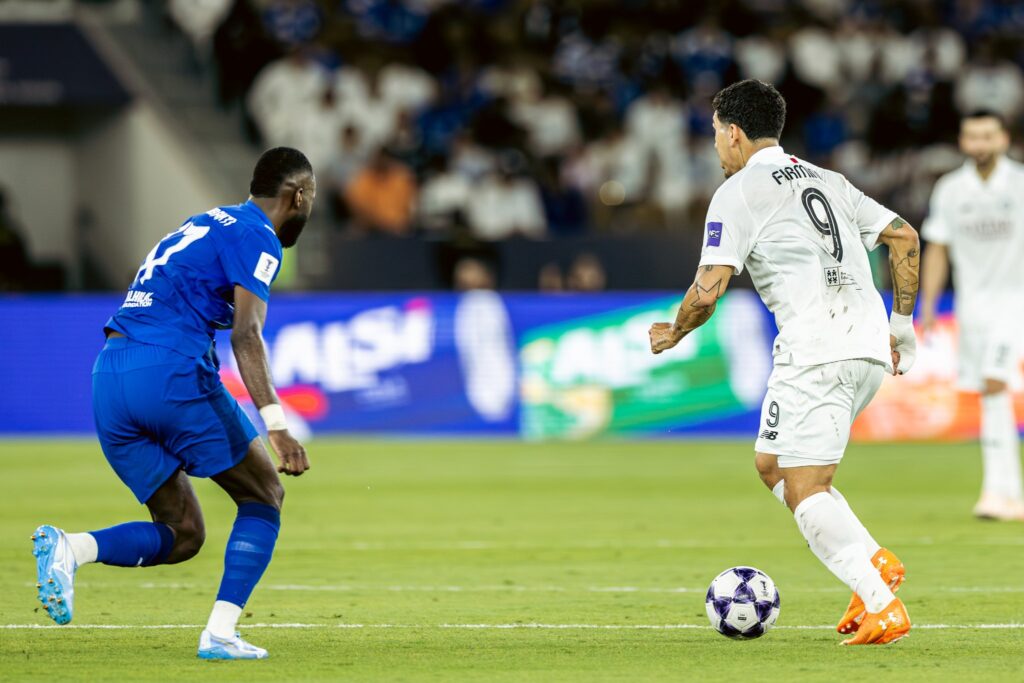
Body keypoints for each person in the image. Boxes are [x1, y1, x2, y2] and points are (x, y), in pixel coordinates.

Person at [648, 80, 920, 646]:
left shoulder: (739, 192)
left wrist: (674, 331)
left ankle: (881, 604)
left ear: (733, 133)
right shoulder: (829, 180)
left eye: (715, 135)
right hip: (867, 346)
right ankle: (874, 560)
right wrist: (901, 324)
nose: (716, 147)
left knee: (806, 485)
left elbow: (707, 291)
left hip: (817, 350)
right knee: (771, 463)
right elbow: (904, 237)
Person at [31, 147, 316, 660]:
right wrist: (276, 425)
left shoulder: (205, 221)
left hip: (111, 375)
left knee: (183, 533)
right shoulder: (259, 235)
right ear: (298, 196)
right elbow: (246, 334)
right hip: (169, 371)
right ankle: (221, 634)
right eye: (311, 198)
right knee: (263, 494)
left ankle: (72, 548)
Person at [920, 111, 1024, 521]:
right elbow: (938, 247)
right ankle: (1008, 494)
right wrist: (929, 304)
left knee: (996, 382)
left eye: (987, 136)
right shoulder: (950, 189)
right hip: (972, 306)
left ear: (1003, 139)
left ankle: (998, 493)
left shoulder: (1019, 183)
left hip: (1014, 302)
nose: (980, 144)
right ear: (963, 142)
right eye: (972, 137)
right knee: (988, 392)